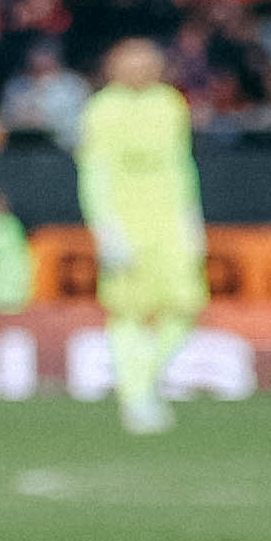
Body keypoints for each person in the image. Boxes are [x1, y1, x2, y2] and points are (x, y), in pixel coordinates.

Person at [74, 40, 206, 434]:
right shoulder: (102, 109)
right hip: (126, 223)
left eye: (147, 62)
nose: (140, 70)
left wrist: (191, 218)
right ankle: (136, 398)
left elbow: (181, 165)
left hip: (169, 222)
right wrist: (105, 229)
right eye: (130, 63)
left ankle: (145, 377)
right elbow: (94, 172)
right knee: (127, 312)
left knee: (186, 304)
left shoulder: (169, 105)